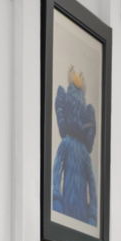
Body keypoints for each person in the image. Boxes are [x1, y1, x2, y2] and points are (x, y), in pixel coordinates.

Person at [51, 66, 97, 226]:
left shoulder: (83, 153)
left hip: (83, 212)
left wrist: (92, 213)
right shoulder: (66, 144)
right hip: (66, 207)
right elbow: (56, 171)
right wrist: (56, 198)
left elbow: (91, 182)